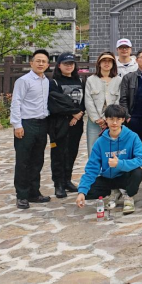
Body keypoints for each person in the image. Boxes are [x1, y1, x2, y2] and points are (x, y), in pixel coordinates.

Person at [75, 104, 142, 215]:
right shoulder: (100, 142)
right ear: (106, 120)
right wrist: (82, 192)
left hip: (125, 176)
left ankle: (128, 196)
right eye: (111, 119)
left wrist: (119, 163)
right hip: (108, 178)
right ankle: (115, 191)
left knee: (138, 172)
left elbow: (141, 159)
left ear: (123, 120)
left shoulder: (132, 137)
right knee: (86, 192)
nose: (114, 123)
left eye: (118, 119)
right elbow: (92, 168)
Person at [11, 49, 51, 210]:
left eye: (44, 61)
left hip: (42, 124)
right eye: (38, 61)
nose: (41, 64)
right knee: (23, 161)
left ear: (47, 65)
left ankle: (34, 192)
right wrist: (17, 125)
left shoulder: (46, 81)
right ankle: (22, 195)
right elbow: (16, 102)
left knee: (37, 160)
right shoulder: (23, 80)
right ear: (31, 63)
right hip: (26, 124)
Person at [48, 53, 85, 199]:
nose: (69, 66)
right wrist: (72, 113)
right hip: (59, 123)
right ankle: (58, 184)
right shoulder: (54, 82)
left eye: (71, 63)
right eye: (66, 63)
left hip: (77, 122)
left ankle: (67, 180)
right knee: (58, 153)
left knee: (72, 152)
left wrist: (78, 114)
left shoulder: (79, 80)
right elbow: (54, 103)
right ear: (59, 65)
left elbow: (83, 101)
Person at [85, 52, 122, 153]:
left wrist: (108, 118)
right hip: (94, 122)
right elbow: (88, 101)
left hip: (113, 121)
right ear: (99, 63)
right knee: (93, 148)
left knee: (111, 150)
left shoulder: (118, 80)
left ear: (113, 64)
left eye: (110, 61)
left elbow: (118, 100)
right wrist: (97, 119)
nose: (107, 63)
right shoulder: (91, 80)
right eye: (104, 61)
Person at [120, 49, 142, 143]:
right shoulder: (128, 78)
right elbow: (123, 99)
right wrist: (127, 117)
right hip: (134, 119)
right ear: (136, 60)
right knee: (133, 147)